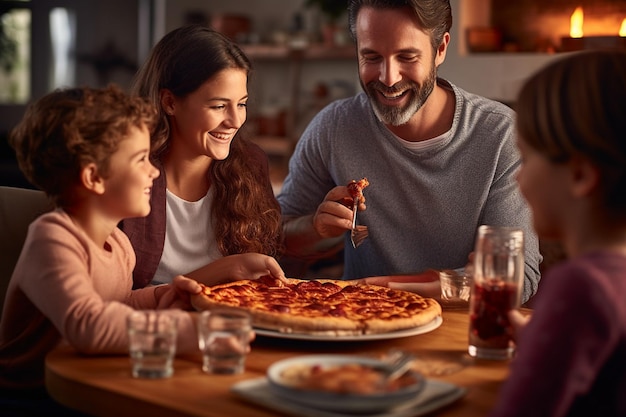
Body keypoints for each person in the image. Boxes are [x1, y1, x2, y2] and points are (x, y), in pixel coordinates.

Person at [0, 85, 263, 415]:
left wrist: (160, 297)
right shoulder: (52, 238)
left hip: (89, 386)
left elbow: (117, 304)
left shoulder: (118, 242)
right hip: (32, 398)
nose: (154, 171)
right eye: (141, 159)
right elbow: (89, 325)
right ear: (94, 177)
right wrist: (194, 331)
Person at [277, 0, 541, 303]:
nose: (388, 78)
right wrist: (315, 228)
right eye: (372, 57)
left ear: (440, 49)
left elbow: (519, 276)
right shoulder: (333, 127)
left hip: (460, 332)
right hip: (356, 325)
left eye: (407, 56)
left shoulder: (500, 134)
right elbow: (275, 238)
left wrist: (404, 290)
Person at [489, 50, 626, 417]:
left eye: (527, 157)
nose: (519, 178)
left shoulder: (581, 287)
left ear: (580, 176)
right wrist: (542, 342)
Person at [121, 25, 284, 288]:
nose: (235, 121)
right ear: (170, 102)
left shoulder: (252, 164)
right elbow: (111, 299)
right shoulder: (125, 173)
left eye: (241, 104)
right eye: (219, 106)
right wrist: (225, 269)